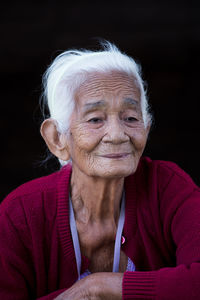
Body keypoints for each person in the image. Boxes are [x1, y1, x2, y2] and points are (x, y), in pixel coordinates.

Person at [0, 41, 200, 300]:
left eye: (130, 118)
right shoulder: (20, 215)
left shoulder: (168, 188)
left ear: (146, 129)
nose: (117, 135)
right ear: (57, 139)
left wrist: (96, 288)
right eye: (95, 119)